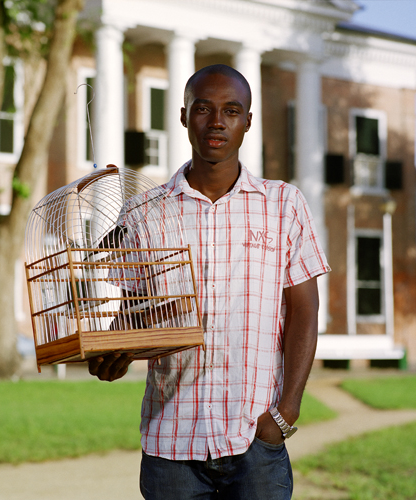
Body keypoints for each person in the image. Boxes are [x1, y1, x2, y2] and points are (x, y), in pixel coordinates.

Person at [89, 64, 330, 499]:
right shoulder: (143, 213)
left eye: (231, 110)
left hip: (255, 440)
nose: (217, 121)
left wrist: (285, 413)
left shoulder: (283, 205)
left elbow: (304, 313)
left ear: (248, 122)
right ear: (183, 116)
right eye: (203, 109)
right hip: (172, 444)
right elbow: (132, 318)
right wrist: (113, 355)